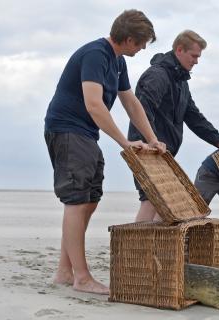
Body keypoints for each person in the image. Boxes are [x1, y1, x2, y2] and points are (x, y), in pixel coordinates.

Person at [44, 10, 166, 295]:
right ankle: (82, 278)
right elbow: (94, 104)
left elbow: (131, 103)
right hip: (67, 130)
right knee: (76, 200)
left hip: (86, 134)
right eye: (141, 43)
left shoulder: (118, 61)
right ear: (127, 39)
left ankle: (64, 271)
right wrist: (125, 142)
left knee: (89, 199)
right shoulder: (96, 54)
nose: (143, 48)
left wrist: (152, 139)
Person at [128, 30, 219, 222]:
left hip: (164, 153)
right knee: (151, 201)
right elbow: (142, 111)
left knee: (165, 208)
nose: (196, 61)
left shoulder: (181, 82)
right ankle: (133, 251)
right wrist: (148, 143)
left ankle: (154, 251)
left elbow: (194, 117)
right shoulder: (158, 75)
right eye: (194, 55)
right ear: (180, 50)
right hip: (147, 150)